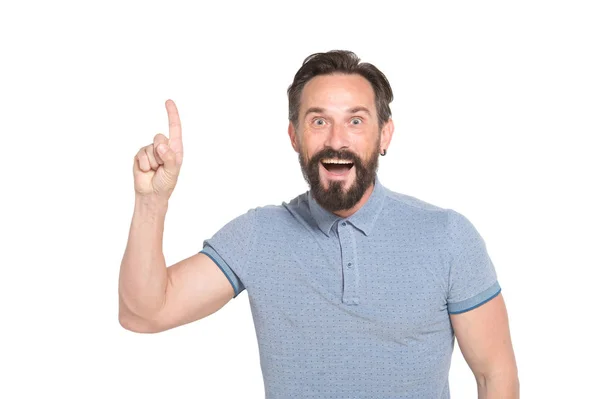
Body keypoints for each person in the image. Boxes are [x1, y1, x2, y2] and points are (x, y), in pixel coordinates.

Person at [119, 50, 519, 398]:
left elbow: (494, 374)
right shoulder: (259, 235)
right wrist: (151, 202)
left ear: (385, 135)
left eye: (356, 121)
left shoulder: (447, 237)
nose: (336, 140)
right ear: (295, 136)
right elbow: (144, 313)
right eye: (319, 121)